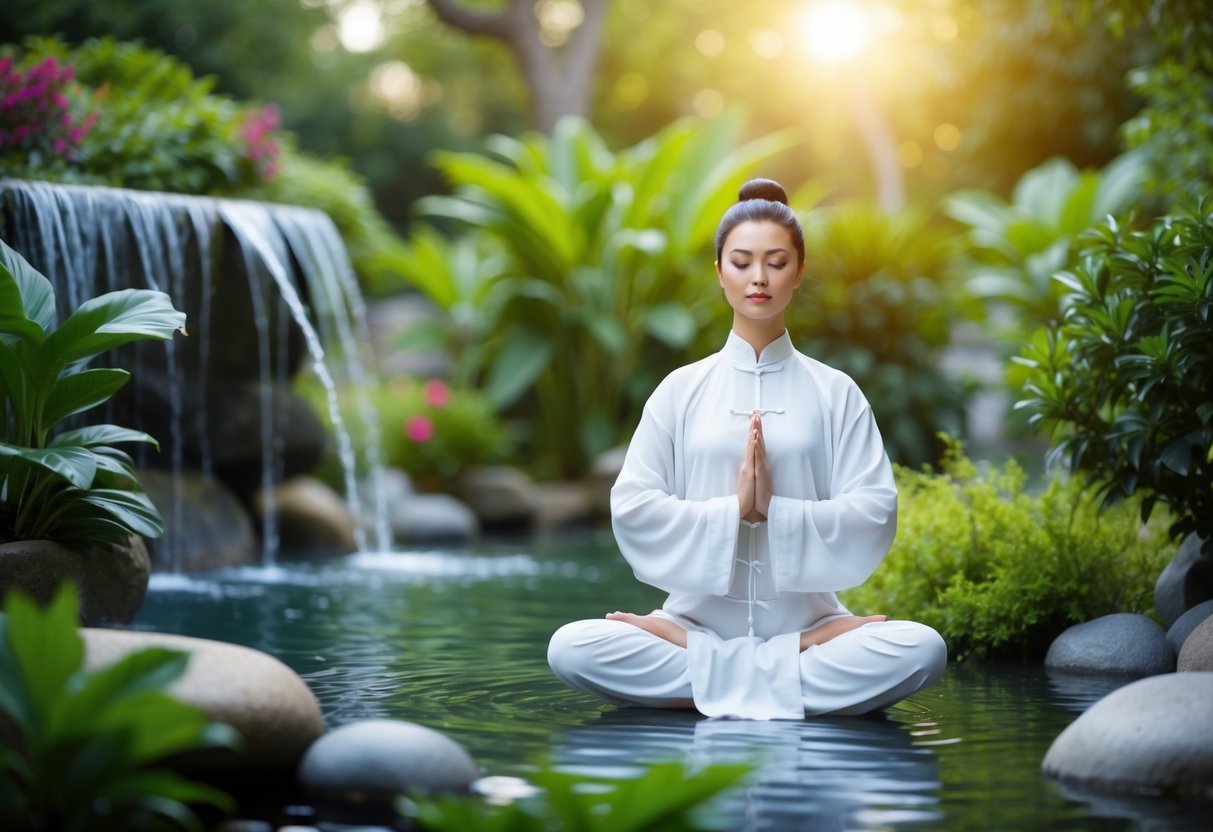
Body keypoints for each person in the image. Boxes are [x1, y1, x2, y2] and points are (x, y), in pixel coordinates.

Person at [547, 178, 947, 720]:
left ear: (799, 272)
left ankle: (733, 670)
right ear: (719, 272)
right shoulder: (679, 390)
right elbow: (633, 504)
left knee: (923, 649)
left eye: (776, 262)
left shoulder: (837, 392)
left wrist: (774, 513)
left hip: (813, 626)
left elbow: (873, 508)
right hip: (693, 626)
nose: (758, 277)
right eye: (742, 262)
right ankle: (767, 668)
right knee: (571, 647)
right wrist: (733, 512)